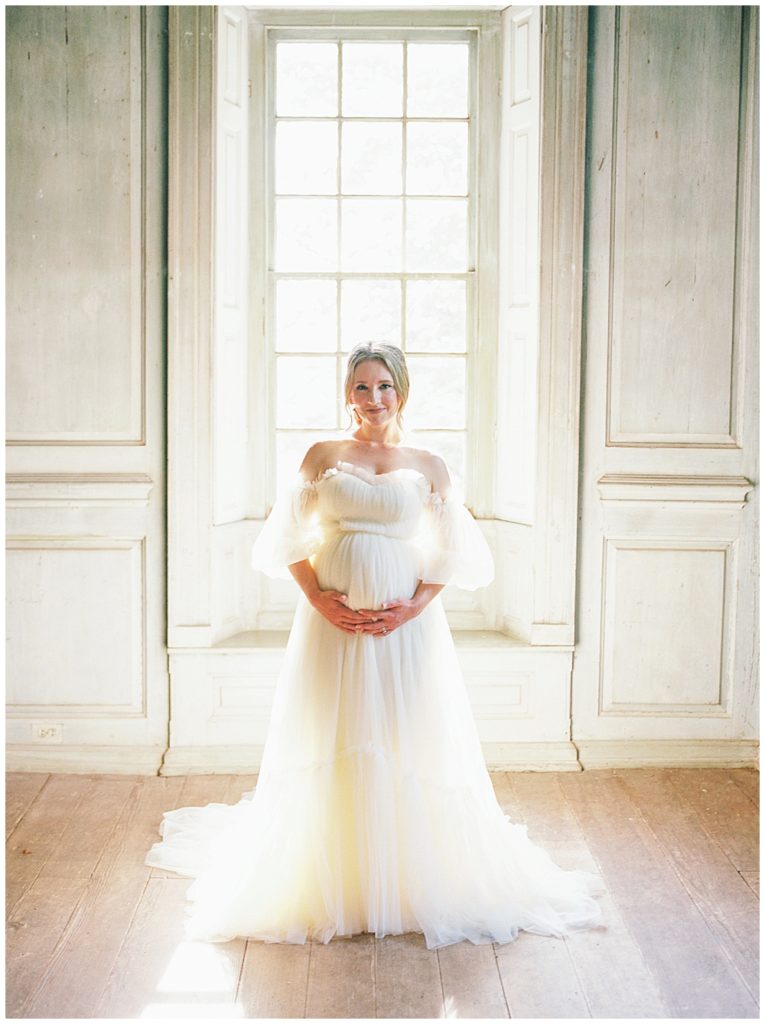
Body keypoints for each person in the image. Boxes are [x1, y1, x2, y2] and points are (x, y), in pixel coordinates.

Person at [146, 341, 604, 948]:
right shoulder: (322, 456)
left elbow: (453, 553)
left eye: (384, 386)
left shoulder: (429, 464)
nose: (373, 398)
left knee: (403, 731)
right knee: (330, 729)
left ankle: (405, 877)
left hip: (404, 626)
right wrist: (318, 599)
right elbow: (287, 540)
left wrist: (412, 606)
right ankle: (333, 879)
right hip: (330, 622)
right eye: (361, 387)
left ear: (402, 391)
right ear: (347, 394)